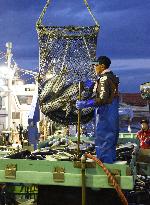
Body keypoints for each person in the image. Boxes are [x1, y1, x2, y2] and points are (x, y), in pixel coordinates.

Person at [76, 56, 119, 163]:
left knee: (104, 138)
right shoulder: (110, 77)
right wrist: (89, 84)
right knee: (109, 138)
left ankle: (104, 163)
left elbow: (102, 99)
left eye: (96, 65)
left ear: (102, 66)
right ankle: (109, 159)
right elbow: (101, 90)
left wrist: (85, 103)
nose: (94, 67)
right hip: (110, 113)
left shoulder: (104, 79)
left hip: (105, 113)